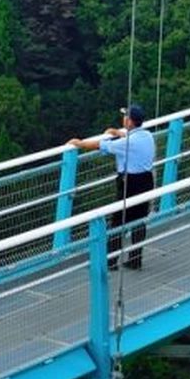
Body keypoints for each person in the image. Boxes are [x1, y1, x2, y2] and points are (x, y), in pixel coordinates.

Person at [68, 103, 156, 270]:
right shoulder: (147, 136)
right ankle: (135, 259)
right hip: (146, 180)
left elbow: (101, 146)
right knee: (139, 220)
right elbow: (127, 138)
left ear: (130, 121)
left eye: (125, 116)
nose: (123, 119)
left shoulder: (128, 143)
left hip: (129, 183)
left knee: (117, 223)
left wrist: (79, 143)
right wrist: (117, 133)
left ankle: (110, 262)